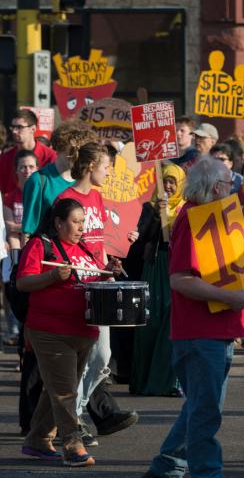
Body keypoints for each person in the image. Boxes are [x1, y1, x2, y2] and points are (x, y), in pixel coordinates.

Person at [144, 158, 244, 478]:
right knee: (206, 412)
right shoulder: (193, 218)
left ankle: (167, 466)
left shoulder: (211, 217)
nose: (231, 189)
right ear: (213, 187)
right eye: (227, 185)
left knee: (200, 408)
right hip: (200, 333)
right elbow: (180, 279)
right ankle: (207, 472)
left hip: (217, 330)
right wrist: (230, 297)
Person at [18, 198, 122, 467]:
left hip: (83, 331)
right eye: (75, 222)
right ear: (58, 222)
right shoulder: (41, 245)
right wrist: (52, 277)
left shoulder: (85, 249)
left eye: (83, 222)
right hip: (51, 331)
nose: (81, 227)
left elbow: (87, 280)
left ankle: (38, 440)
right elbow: (23, 282)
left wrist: (106, 273)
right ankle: (72, 445)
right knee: (65, 392)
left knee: (57, 390)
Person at [55, 142, 138, 447]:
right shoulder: (66, 198)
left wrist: (110, 263)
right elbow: (62, 240)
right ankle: (74, 420)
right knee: (81, 356)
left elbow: (98, 241)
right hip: (78, 285)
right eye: (105, 166)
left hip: (99, 282)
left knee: (103, 355)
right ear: (91, 167)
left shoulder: (98, 197)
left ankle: (76, 412)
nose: (109, 172)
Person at [129, 163, 186, 396]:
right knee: (150, 323)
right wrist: (156, 215)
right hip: (156, 267)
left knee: (170, 323)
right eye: (166, 181)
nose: (170, 186)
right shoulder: (148, 208)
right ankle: (144, 381)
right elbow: (142, 238)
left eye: (173, 181)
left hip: (176, 268)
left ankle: (169, 382)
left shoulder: (186, 208)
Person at [2, 150, 38, 344]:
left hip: (33, 251)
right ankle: (15, 332)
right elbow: (9, 225)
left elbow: (25, 226)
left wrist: (21, 227)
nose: (27, 171)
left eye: (31, 166)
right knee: (13, 292)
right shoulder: (9, 196)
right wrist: (26, 226)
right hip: (14, 251)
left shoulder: (40, 194)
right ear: (16, 170)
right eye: (23, 167)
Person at [0, 109, 56, 196]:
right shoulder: (5, 158)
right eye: (13, 127)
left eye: (19, 127)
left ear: (33, 129)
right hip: (11, 208)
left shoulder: (50, 156)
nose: (14, 131)